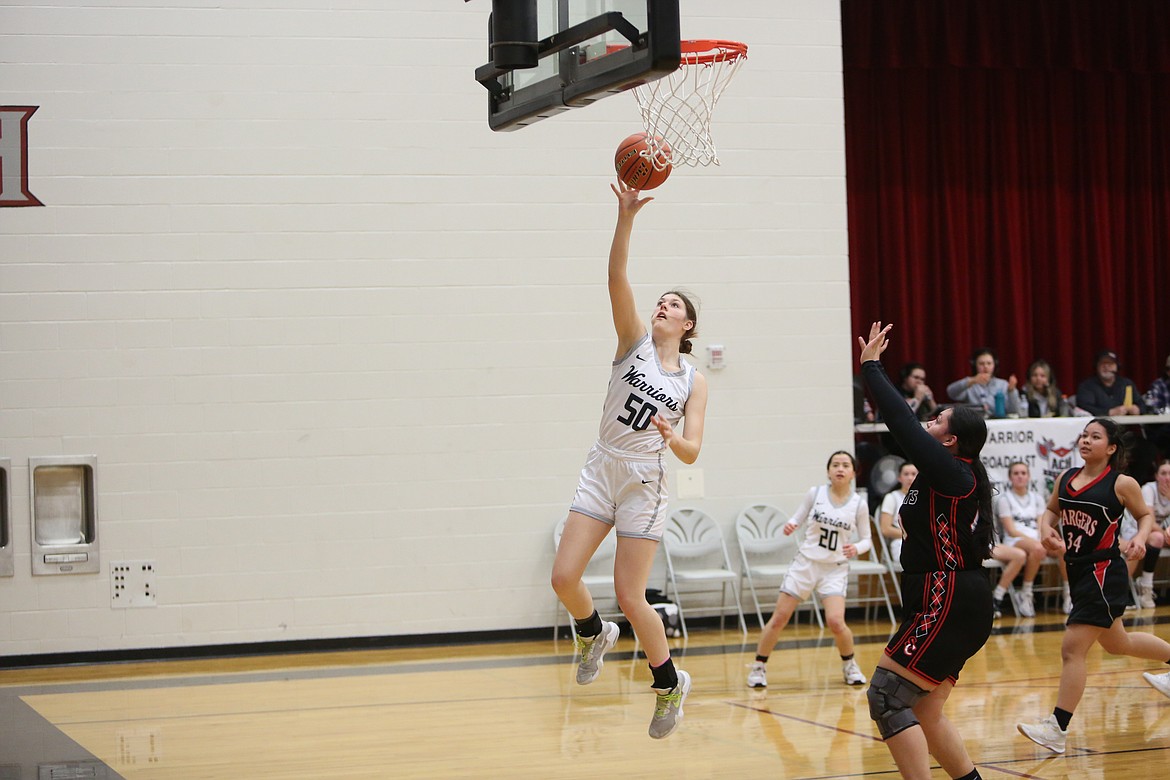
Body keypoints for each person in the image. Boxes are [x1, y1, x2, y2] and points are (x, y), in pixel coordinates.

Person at [550, 181, 708, 740]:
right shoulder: (632, 341)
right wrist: (626, 218)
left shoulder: (693, 380)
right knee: (564, 577)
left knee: (629, 595)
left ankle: (668, 686)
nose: (663, 306)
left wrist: (670, 434)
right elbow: (616, 277)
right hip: (603, 466)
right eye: (661, 301)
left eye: (674, 306)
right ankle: (592, 632)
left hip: (646, 482)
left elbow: (692, 451)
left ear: (687, 325)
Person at [859, 322, 995, 780]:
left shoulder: (954, 472)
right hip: (945, 597)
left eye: (936, 422)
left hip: (950, 597)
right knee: (927, 712)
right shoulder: (944, 473)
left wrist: (871, 369)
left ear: (950, 440)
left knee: (885, 696)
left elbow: (899, 421)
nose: (927, 424)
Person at [1016, 419, 1170, 754]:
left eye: (1095, 437)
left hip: (1104, 572)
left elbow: (1145, 516)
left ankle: (1057, 727)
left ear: (1111, 447)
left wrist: (1141, 539)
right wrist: (1045, 530)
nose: (1085, 440)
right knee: (1119, 643)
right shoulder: (1066, 477)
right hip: (1078, 570)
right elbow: (1050, 511)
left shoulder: (1121, 483)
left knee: (1072, 649)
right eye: (1084, 435)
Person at [746, 450, 872, 690]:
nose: (840, 468)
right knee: (780, 618)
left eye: (845, 465)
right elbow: (798, 517)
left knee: (836, 621)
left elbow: (867, 539)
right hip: (806, 564)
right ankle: (758, 667)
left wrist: (856, 547)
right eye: (835, 464)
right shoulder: (815, 494)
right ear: (828, 470)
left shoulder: (859, 504)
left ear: (853, 473)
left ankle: (850, 665)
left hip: (834, 568)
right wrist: (792, 525)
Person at [995, 461, 1071, 615]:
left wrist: (1042, 538)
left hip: (1037, 540)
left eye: (1023, 473)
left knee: (1063, 547)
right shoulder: (1004, 499)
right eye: (1016, 473)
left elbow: (1041, 525)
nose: (1020, 477)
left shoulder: (1037, 498)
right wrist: (1038, 541)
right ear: (1010, 477)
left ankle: (1069, 593)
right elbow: (1011, 530)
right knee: (1038, 548)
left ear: (1029, 477)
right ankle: (1026, 594)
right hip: (1016, 541)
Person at [1135, 459, 1170, 608]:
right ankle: (1146, 588)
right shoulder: (1148, 489)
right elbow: (1148, 520)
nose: (1167, 477)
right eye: (1163, 473)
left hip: (1164, 533)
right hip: (1140, 531)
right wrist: (1165, 533)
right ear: (1156, 476)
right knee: (1157, 538)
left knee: (1162, 537)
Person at [946, 347, 1020, 418]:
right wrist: (971, 380)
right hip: (975, 423)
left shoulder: (1003, 384)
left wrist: (1011, 391)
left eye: (989, 363)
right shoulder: (970, 383)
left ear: (995, 365)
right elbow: (951, 393)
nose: (985, 366)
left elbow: (1014, 411)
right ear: (975, 365)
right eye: (981, 363)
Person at [1074, 350, 1146, 417]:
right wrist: (1109, 412)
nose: (1106, 366)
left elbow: (1143, 405)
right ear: (1096, 366)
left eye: (1110, 363)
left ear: (1117, 366)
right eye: (1103, 363)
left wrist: (1138, 409)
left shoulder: (1127, 383)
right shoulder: (1087, 386)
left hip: (1126, 426)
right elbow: (1084, 407)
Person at [879, 460, 918, 563]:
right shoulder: (891, 497)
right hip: (900, 541)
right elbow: (885, 529)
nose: (910, 478)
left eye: (913, 474)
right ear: (899, 478)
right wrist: (912, 536)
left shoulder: (925, 498)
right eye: (906, 474)